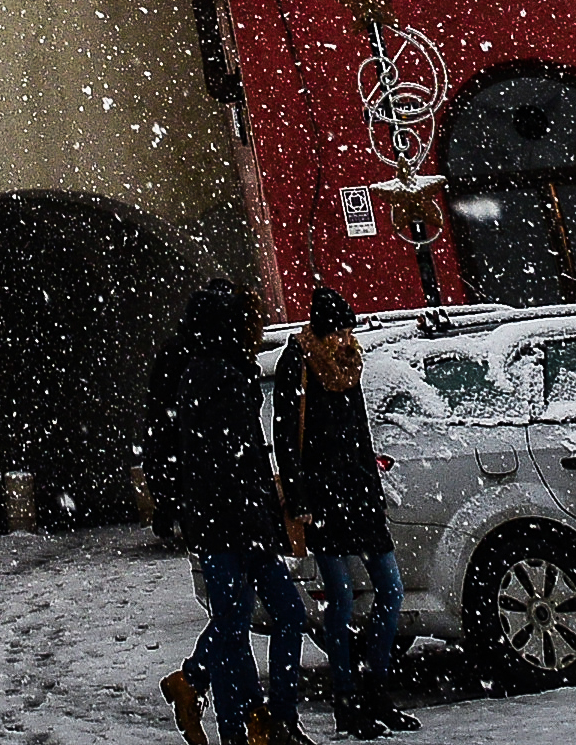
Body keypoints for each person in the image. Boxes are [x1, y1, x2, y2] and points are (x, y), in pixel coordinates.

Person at [143, 286, 303, 745]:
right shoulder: (212, 375)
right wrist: (257, 523)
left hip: (227, 520)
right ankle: (256, 724)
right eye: (252, 320)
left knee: (241, 621)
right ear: (230, 324)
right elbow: (225, 462)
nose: (259, 329)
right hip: (229, 522)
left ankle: (241, 713)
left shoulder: (218, 368)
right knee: (250, 620)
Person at [279, 290, 420, 741]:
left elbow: (359, 431)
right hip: (324, 499)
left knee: (390, 590)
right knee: (339, 602)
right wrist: (300, 501)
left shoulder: (348, 363)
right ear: (320, 330)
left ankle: (375, 688)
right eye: (338, 331)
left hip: (358, 494)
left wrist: (372, 487)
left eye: (348, 330)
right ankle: (348, 699)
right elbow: (288, 436)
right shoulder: (298, 364)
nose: (345, 339)